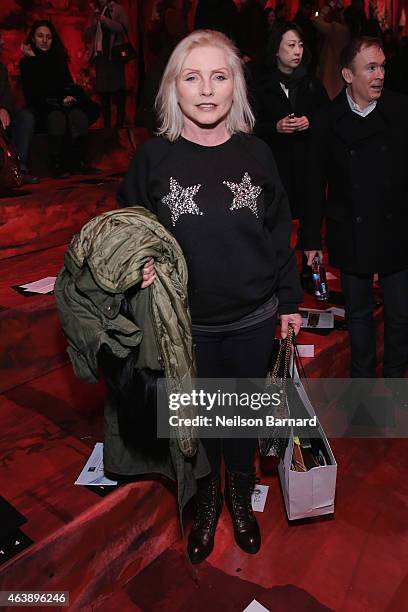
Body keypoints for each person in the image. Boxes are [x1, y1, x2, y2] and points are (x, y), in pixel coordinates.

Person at [117, 29, 303, 564]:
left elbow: (278, 232)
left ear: (235, 87)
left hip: (253, 317)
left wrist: (290, 303)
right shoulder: (153, 159)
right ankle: (207, 501)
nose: (205, 89)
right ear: (173, 89)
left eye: (219, 76)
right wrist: (138, 266)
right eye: (191, 77)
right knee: (197, 423)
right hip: (184, 326)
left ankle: (240, 499)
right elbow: (126, 228)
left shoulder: (258, 154)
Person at [302, 36, 408, 380]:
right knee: (358, 314)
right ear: (348, 74)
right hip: (350, 226)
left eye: (382, 67)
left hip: (397, 226)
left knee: (400, 314)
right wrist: (310, 241)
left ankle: (394, 386)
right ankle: (361, 384)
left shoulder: (401, 110)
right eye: (371, 68)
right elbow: (314, 183)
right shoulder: (326, 119)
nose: (379, 75)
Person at [253, 22, 329, 284]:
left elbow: (328, 117)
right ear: (276, 50)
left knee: (311, 224)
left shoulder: (311, 84)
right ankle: (276, 276)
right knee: (276, 224)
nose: (297, 51)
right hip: (275, 168)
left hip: (308, 167)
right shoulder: (262, 86)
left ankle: (311, 274)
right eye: (291, 45)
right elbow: (249, 126)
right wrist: (276, 127)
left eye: (300, 45)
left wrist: (311, 121)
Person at [20, 20, 96, 178]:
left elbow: (66, 85)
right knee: (57, 117)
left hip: (62, 103)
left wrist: (68, 96)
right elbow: (33, 92)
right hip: (42, 106)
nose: (44, 40)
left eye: (48, 37)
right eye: (40, 36)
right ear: (33, 39)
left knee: (78, 116)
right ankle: (56, 163)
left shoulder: (59, 58)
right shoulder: (27, 62)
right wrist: (34, 59)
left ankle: (79, 162)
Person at [0, 33, 37, 185]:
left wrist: (4, 108)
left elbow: (6, 92)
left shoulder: (0, 67)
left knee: (25, 118)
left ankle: (19, 169)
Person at [86, 0, 129, 128]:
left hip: (114, 56)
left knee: (118, 90)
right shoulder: (95, 12)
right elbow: (87, 34)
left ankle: (120, 124)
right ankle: (107, 125)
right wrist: (94, 23)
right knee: (103, 91)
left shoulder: (118, 9)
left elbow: (124, 28)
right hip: (100, 57)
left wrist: (104, 20)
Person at [313, 0, 350, 99]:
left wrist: (329, 6)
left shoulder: (337, 29)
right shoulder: (353, 31)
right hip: (344, 75)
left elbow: (316, 21)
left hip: (331, 74)